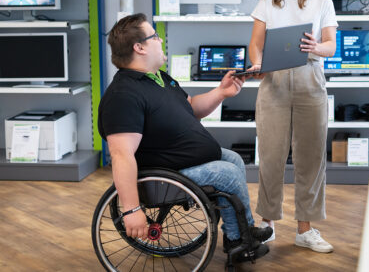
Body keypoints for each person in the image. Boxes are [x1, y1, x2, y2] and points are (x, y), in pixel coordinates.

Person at [97, 13, 272, 259]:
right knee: (227, 172)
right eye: (155, 36)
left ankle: (238, 235)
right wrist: (132, 210)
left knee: (232, 158)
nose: (160, 40)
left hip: (181, 164)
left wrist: (221, 92)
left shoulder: (159, 79)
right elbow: (121, 154)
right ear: (139, 47)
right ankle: (240, 239)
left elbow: (192, 108)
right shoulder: (123, 95)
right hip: (161, 179)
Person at [246, 0, 338, 253]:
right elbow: (255, 45)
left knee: (310, 158)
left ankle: (305, 228)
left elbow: (330, 47)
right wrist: (257, 64)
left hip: (310, 77)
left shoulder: (322, 3)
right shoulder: (268, 3)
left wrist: (314, 47)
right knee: (271, 155)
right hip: (274, 79)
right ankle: (267, 224)